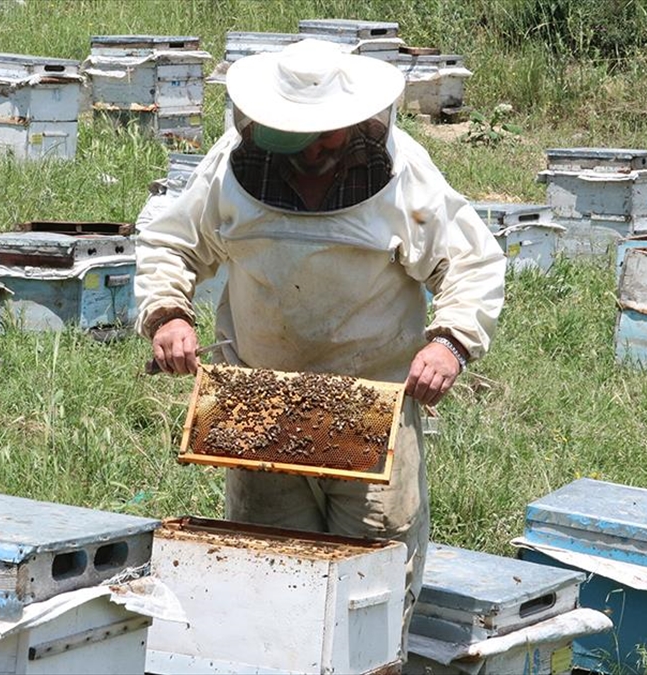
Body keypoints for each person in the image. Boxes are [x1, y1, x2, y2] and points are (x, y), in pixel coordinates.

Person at [134, 38, 506, 655]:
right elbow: (170, 242)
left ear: (354, 121)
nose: (312, 151)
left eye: (326, 138)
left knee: (372, 577)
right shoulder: (231, 168)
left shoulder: (403, 172)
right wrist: (169, 314)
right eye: (296, 138)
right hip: (257, 406)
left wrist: (449, 343)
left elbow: (472, 263)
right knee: (268, 576)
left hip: (372, 406)